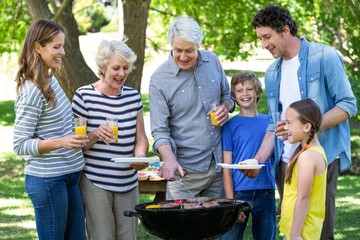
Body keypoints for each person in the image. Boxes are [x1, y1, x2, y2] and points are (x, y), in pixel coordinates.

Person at [251, 4, 357, 240]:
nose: (263, 44)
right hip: (286, 163)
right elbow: (273, 123)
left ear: (285, 30)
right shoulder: (271, 73)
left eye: (267, 37)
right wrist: (257, 161)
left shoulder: (324, 57)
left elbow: (348, 104)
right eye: (259, 38)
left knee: (319, 231)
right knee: (292, 229)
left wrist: (310, 126)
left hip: (321, 159)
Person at [13, 19, 86, 240]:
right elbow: (20, 144)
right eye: (56, 47)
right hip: (48, 179)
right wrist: (62, 141)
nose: (62, 52)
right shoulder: (32, 90)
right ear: (38, 47)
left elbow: (56, 123)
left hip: (69, 174)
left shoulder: (49, 77)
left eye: (62, 46)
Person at [149, 16, 234, 200]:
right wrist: (168, 158)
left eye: (190, 50)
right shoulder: (159, 79)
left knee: (218, 225)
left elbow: (227, 97)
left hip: (219, 165)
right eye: (178, 50)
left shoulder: (212, 62)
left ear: (198, 45)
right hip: (185, 171)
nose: (183, 56)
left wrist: (225, 107)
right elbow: (159, 129)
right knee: (183, 227)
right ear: (171, 44)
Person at [71, 39, 149, 240]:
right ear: (103, 67)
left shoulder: (133, 97)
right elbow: (77, 145)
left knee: (128, 237)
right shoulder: (84, 96)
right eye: (116, 68)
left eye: (125, 68)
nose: (121, 74)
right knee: (102, 237)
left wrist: (140, 156)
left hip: (128, 180)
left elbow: (141, 138)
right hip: (96, 180)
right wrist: (95, 134)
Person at [220, 71, 276, 240]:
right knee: (229, 237)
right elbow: (226, 169)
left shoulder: (270, 123)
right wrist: (231, 204)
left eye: (249, 89)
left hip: (266, 191)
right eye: (239, 90)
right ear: (234, 96)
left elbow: (279, 161)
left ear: (258, 92)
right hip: (239, 194)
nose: (245, 94)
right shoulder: (229, 126)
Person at [279, 98, 327, 239]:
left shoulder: (308, 157)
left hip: (302, 233)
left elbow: (303, 198)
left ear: (306, 127)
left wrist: (295, 235)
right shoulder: (308, 151)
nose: (285, 127)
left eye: (289, 123)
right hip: (298, 230)